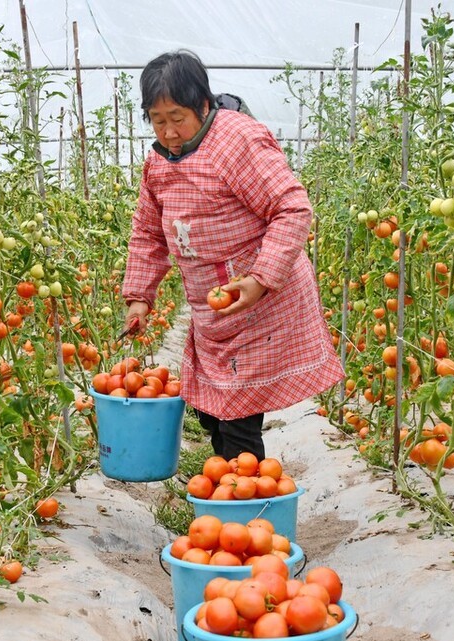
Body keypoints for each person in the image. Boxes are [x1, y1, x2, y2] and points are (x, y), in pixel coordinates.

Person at [122, 50, 344, 461]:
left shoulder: (237, 141)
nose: (169, 132)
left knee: (238, 422)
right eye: (158, 120)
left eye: (177, 117)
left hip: (263, 302)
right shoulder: (158, 162)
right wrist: (140, 295)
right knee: (209, 412)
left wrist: (260, 279)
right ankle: (227, 490)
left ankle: (243, 507)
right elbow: (148, 231)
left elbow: (292, 208)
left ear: (203, 105)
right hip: (214, 310)